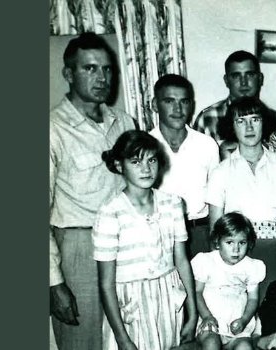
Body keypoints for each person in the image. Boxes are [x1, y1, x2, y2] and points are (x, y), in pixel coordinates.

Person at [50, 32, 136, 350]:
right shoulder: (52, 130)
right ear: (69, 74)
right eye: (90, 69)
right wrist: (54, 282)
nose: (101, 78)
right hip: (79, 251)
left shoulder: (125, 122)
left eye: (107, 69)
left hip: (126, 246)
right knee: (82, 343)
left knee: (129, 339)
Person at [93, 130, 198, 350]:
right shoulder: (110, 212)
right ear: (120, 165)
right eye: (136, 161)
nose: (146, 169)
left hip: (169, 301)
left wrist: (192, 313)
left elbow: (181, 261)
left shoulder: (173, 203)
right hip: (132, 309)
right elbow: (105, 283)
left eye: (151, 160)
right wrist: (122, 338)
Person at [149, 74, 220, 259]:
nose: (178, 109)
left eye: (184, 101)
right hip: (160, 234)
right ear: (155, 105)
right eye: (169, 101)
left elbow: (216, 198)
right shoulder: (145, 146)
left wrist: (215, 241)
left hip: (200, 232)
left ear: (191, 105)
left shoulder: (207, 145)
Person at [205, 97, 276, 239]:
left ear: (264, 123)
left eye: (255, 119)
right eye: (241, 121)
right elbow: (215, 231)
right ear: (232, 126)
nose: (249, 127)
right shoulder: (220, 172)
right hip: (237, 250)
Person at [191, 212, 267, 350]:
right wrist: (207, 316)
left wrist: (244, 319)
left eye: (242, 243)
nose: (236, 249)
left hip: (238, 325)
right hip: (211, 323)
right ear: (217, 242)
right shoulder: (206, 261)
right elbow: (197, 292)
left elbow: (253, 298)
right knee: (211, 344)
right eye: (229, 242)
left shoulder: (252, 266)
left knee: (245, 347)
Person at [190, 50, 276, 145]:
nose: (244, 82)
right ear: (226, 81)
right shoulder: (207, 119)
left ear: (260, 79)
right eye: (236, 76)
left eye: (250, 75)